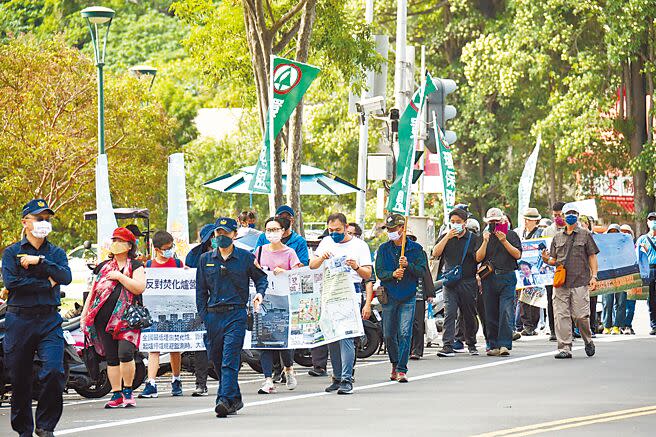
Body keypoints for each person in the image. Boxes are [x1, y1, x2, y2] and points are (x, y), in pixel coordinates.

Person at [2, 199, 72, 437]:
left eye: (47, 219)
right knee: (20, 379)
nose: (44, 223)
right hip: (19, 320)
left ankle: (45, 426)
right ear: (25, 222)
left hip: (49, 320)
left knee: (54, 371)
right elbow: (12, 283)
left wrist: (41, 262)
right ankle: (24, 430)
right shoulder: (11, 253)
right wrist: (46, 283)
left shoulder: (56, 253)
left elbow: (66, 276)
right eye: (39, 218)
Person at [196, 217, 268, 417]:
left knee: (230, 359)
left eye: (226, 233)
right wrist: (204, 316)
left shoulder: (245, 257)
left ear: (234, 235)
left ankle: (223, 399)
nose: (222, 237)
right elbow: (201, 291)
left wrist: (259, 294)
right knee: (216, 360)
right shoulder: (206, 259)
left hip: (236, 314)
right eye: (218, 233)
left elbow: (261, 278)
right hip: (213, 317)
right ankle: (234, 398)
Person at [81, 227, 146, 408]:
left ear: (129, 245)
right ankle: (116, 394)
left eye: (120, 240)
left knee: (125, 353)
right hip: (102, 320)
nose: (116, 244)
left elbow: (139, 287)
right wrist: (85, 315)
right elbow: (93, 293)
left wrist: (120, 276)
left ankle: (128, 391)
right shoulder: (102, 267)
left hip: (127, 320)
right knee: (111, 357)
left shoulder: (136, 266)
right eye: (114, 240)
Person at [309, 213, 372, 394]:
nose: (334, 233)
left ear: (346, 227)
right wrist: (322, 258)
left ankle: (346, 378)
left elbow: (367, 274)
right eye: (331, 230)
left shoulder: (359, 245)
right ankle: (336, 376)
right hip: (329, 292)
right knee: (332, 338)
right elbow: (312, 264)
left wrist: (356, 267)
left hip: (349, 293)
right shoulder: (327, 242)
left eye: (338, 230)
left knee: (346, 337)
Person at [541, 203, 598, 359]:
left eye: (574, 213)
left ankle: (588, 339)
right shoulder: (557, 237)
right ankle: (565, 347)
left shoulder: (585, 234)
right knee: (561, 315)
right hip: (561, 283)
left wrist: (594, 276)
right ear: (563, 216)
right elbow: (554, 260)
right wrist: (547, 260)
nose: (571, 215)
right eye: (568, 213)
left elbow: (592, 256)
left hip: (580, 281)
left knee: (580, 316)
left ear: (578, 215)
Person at [375, 214, 427, 381]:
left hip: (408, 296)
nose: (390, 232)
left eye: (393, 229)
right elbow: (380, 272)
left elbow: (422, 271)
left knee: (405, 332)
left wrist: (408, 266)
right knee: (389, 334)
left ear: (402, 229)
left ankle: (402, 368)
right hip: (389, 296)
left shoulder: (416, 249)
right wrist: (392, 274)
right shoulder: (383, 249)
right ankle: (394, 362)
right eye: (388, 229)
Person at [254, 217, 302, 394]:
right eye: (268, 229)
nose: (271, 233)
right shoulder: (259, 251)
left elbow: (298, 276)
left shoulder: (290, 252)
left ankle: (288, 368)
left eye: (275, 229)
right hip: (264, 303)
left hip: (284, 304)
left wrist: (286, 272)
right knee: (264, 342)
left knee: (283, 342)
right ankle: (268, 379)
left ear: (283, 231)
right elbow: (253, 271)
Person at [139, 231, 185, 399]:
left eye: (171, 247)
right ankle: (151, 383)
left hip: (174, 312)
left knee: (175, 348)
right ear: (157, 249)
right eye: (166, 248)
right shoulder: (149, 266)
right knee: (154, 348)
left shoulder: (178, 264)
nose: (170, 250)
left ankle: (176, 379)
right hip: (155, 313)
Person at [432, 208, 481, 357]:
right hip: (450, 282)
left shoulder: (473, 238)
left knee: (468, 314)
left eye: (458, 222)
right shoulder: (445, 237)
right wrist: (447, 237)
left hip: (468, 281)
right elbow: (435, 253)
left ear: (465, 223)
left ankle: (471, 343)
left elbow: (478, 258)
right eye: (452, 222)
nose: (455, 225)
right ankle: (447, 345)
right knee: (449, 312)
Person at [476, 208, 522, 357]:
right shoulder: (483, 236)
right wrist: (485, 241)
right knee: (490, 311)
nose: (494, 225)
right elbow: (478, 258)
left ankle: (504, 344)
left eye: (496, 222)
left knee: (506, 311)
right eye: (491, 222)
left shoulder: (511, 235)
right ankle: (493, 343)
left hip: (507, 276)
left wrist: (504, 240)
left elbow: (517, 254)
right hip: (489, 278)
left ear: (502, 221)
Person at [184, 223, 217, 396]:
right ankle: (201, 383)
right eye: (210, 238)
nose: (213, 240)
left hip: (224, 305)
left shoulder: (234, 253)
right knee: (200, 344)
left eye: (216, 236)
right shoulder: (195, 255)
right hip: (201, 305)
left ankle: (227, 382)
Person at [542, 201, 566, 341]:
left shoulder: (572, 228)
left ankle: (568, 329)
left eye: (560, 215)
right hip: (551, 272)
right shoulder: (548, 231)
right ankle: (553, 330)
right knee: (552, 301)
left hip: (568, 270)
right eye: (555, 215)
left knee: (567, 301)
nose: (558, 218)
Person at [600, 225, 626, 335]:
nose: (613, 234)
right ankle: (606, 326)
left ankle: (617, 326)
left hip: (622, 275)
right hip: (607, 276)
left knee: (621, 301)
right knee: (607, 301)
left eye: (616, 232)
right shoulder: (603, 246)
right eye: (611, 232)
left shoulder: (625, 245)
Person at [636, 211, 656, 336]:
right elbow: (637, 256)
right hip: (649, 270)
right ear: (647, 222)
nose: (654, 222)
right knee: (651, 299)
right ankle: (654, 324)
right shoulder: (642, 239)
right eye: (651, 219)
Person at [620, 224, 637, 334]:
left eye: (628, 232)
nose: (625, 234)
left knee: (630, 304)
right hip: (619, 279)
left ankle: (627, 325)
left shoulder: (636, 246)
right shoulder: (615, 248)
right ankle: (618, 325)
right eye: (622, 232)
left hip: (632, 278)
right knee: (620, 303)